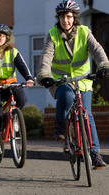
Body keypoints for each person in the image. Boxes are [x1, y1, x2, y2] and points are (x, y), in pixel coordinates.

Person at [37, 0, 109, 168]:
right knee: (67, 96)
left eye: (68, 17)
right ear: (59, 19)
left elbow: (97, 50)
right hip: (60, 79)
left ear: (74, 18)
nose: (65, 20)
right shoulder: (53, 34)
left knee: (87, 114)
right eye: (62, 17)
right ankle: (61, 125)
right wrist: (44, 75)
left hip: (83, 79)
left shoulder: (84, 32)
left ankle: (95, 153)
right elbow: (46, 57)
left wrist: (104, 65)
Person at [0, 24, 34, 155]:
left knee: (22, 99)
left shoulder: (13, 51)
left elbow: (22, 66)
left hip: (9, 84)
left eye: (1, 36)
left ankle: (14, 118)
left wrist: (29, 78)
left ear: (7, 38)